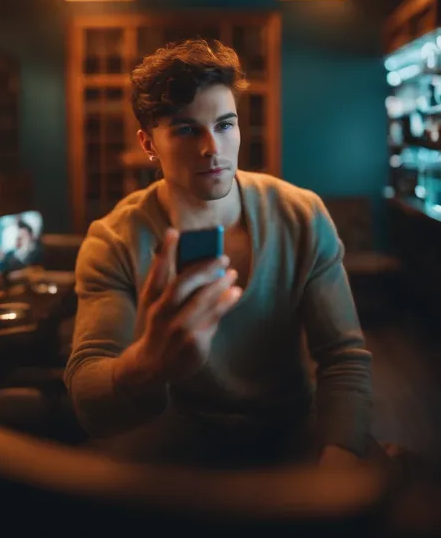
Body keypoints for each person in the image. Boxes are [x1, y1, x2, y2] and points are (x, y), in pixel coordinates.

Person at [64, 38, 374, 471]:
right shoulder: (113, 240)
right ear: (147, 143)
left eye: (225, 125)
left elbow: (343, 360)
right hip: (170, 453)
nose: (213, 148)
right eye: (187, 129)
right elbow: (88, 400)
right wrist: (145, 365)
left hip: (287, 438)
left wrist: (338, 463)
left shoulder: (299, 215)